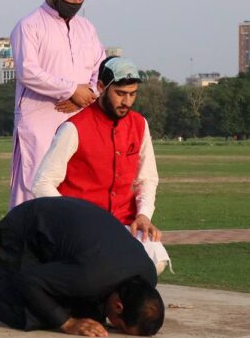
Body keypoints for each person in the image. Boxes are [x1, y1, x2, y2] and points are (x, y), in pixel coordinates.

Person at [0, 197, 164, 337]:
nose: (114, 328)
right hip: (19, 234)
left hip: (54, 237)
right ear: (118, 307)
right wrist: (67, 323)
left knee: (91, 314)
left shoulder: (148, 274)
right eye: (121, 327)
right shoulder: (90, 277)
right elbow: (30, 281)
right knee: (32, 315)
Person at [32, 57, 170, 274]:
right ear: (100, 88)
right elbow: (42, 183)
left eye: (132, 94)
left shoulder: (139, 124)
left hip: (124, 225)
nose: (127, 102)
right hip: (81, 230)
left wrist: (144, 215)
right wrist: (74, 221)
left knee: (156, 258)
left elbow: (147, 179)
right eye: (120, 94)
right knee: (99, 267)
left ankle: (116, 302)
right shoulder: (73, 128)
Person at [9, 0, 107, 209]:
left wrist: (89, 94)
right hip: (39, 118)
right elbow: (27, 71)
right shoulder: (29, 25)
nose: (76, 3)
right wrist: (71, 90)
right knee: (34, 188)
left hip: (80, 116)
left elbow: (100, 65)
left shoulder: (87, 28)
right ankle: (27, 246)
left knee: (77, 184)